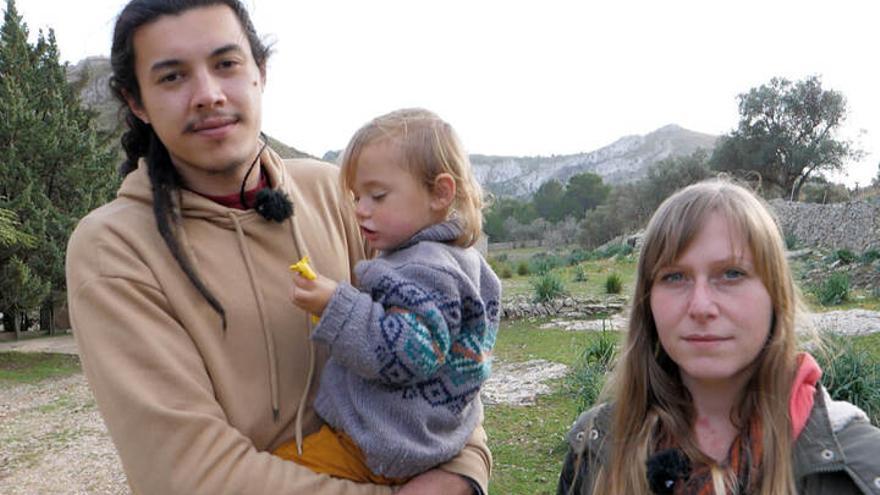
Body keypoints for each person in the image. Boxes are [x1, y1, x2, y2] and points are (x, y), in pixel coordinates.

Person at [65, 2, 491, 494]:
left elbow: (444, 341)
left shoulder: (338, 194)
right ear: (135, 101)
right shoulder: (114, 249)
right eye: (172, 77)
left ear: (259, 72)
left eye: (226, 64)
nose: (207, 94)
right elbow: (186, 474)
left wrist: (465, 470)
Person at [557, 179, 880, 495]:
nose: (700, 306)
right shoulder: (595, 449)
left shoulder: (858, 469)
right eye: (674, 276)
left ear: (775, 295)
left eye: (732, 273)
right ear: (647, 301)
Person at [278, 108, 501, 483]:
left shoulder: (425, 268)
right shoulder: (467, 263)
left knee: (276, 475)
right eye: (357, 196)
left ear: (440, 193)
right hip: (431, 441)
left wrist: (336, 304)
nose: (360, 210)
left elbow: (413, 354)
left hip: (378, 445)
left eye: (377, 196)